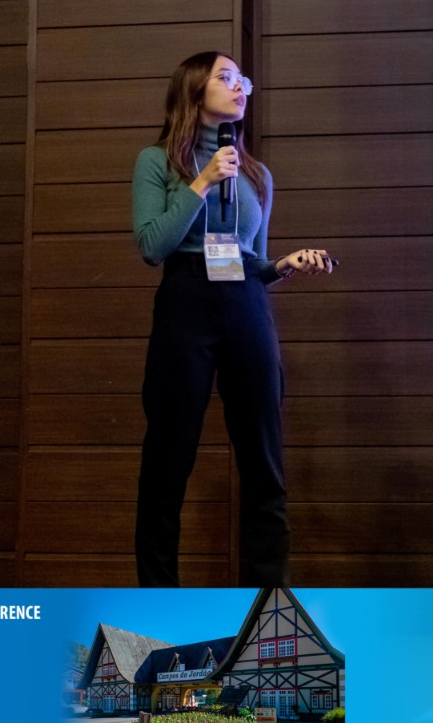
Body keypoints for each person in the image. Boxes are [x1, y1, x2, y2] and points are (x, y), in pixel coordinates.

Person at [132, 51, 332, 587]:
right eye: (226, 78)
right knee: (169, 458)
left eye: (243, 78)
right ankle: (158, 600)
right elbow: (152, 246)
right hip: (186, 301)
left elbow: (252, 261)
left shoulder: (257, 175)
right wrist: (201, 182)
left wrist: (284, 266)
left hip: (245, 303)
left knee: (263, 457)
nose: (240, 86)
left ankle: (268, 599)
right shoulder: (156, 162)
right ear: (195, 90)